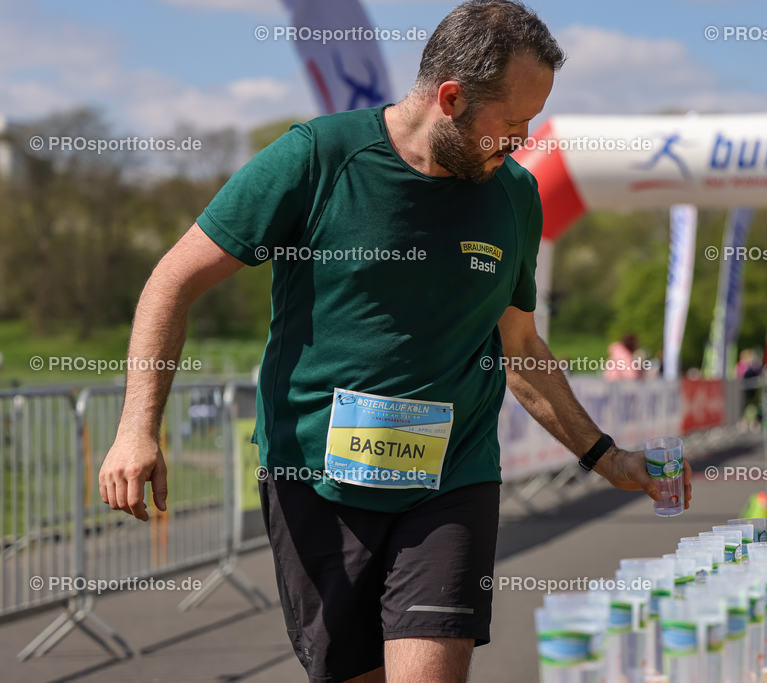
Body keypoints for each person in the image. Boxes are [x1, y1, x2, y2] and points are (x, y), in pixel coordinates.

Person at [96, 2, 692, 681]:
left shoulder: (515, 197)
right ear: (451, 97)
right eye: (512, 124)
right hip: (313, 479)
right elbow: (171, 280)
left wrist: (604, 455)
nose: (521, 142)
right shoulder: (317, 158)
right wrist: (136, 428)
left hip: (452, 479)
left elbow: (521, 345)